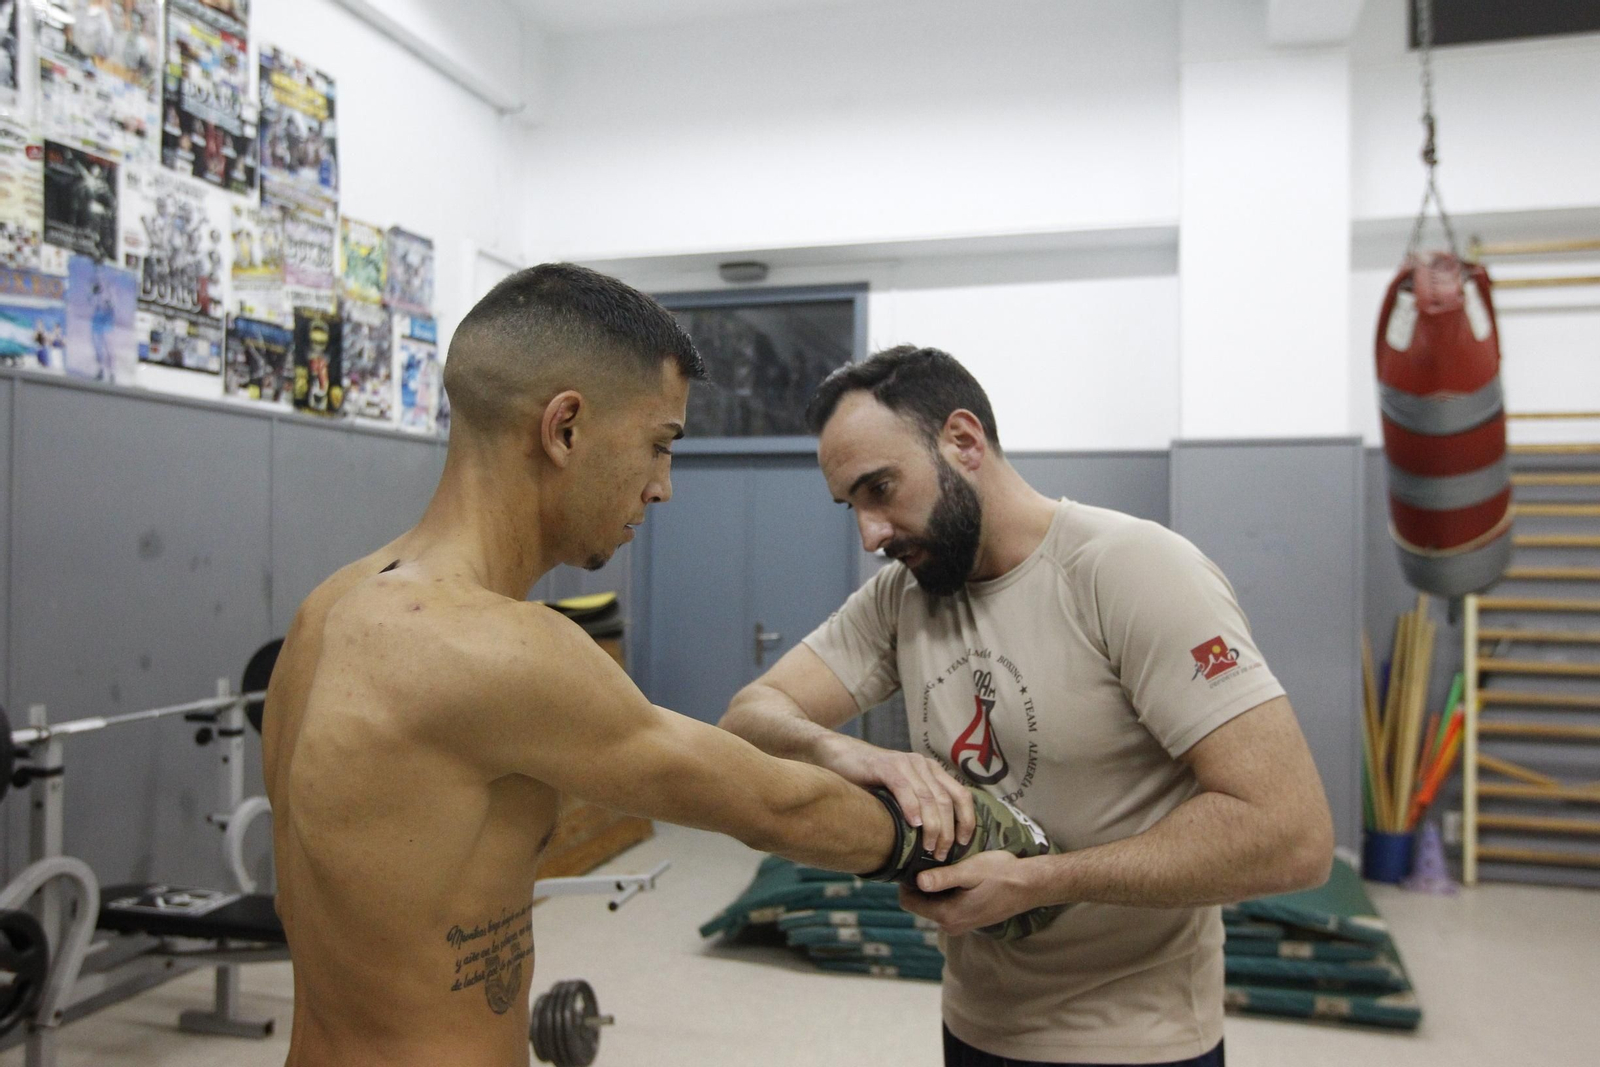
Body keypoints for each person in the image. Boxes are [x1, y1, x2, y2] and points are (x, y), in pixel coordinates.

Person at [261, 267, 1050, 1067]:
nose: (663, 486)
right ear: (565, 427)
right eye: (659, 443)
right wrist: (969, 836)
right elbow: (773, 805)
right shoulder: (497, 647)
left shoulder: (323, 613)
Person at [721, 345, 1335, 1067]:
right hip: (976, 1027)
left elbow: (1292, 833)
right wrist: (846, 750)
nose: (870, 532)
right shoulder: (902, 600)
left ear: (963, 440)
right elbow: (749, 718)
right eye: (851, 503)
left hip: (1136, 1040)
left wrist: (1040, 880)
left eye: (880, 488)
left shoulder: (1131, 570)